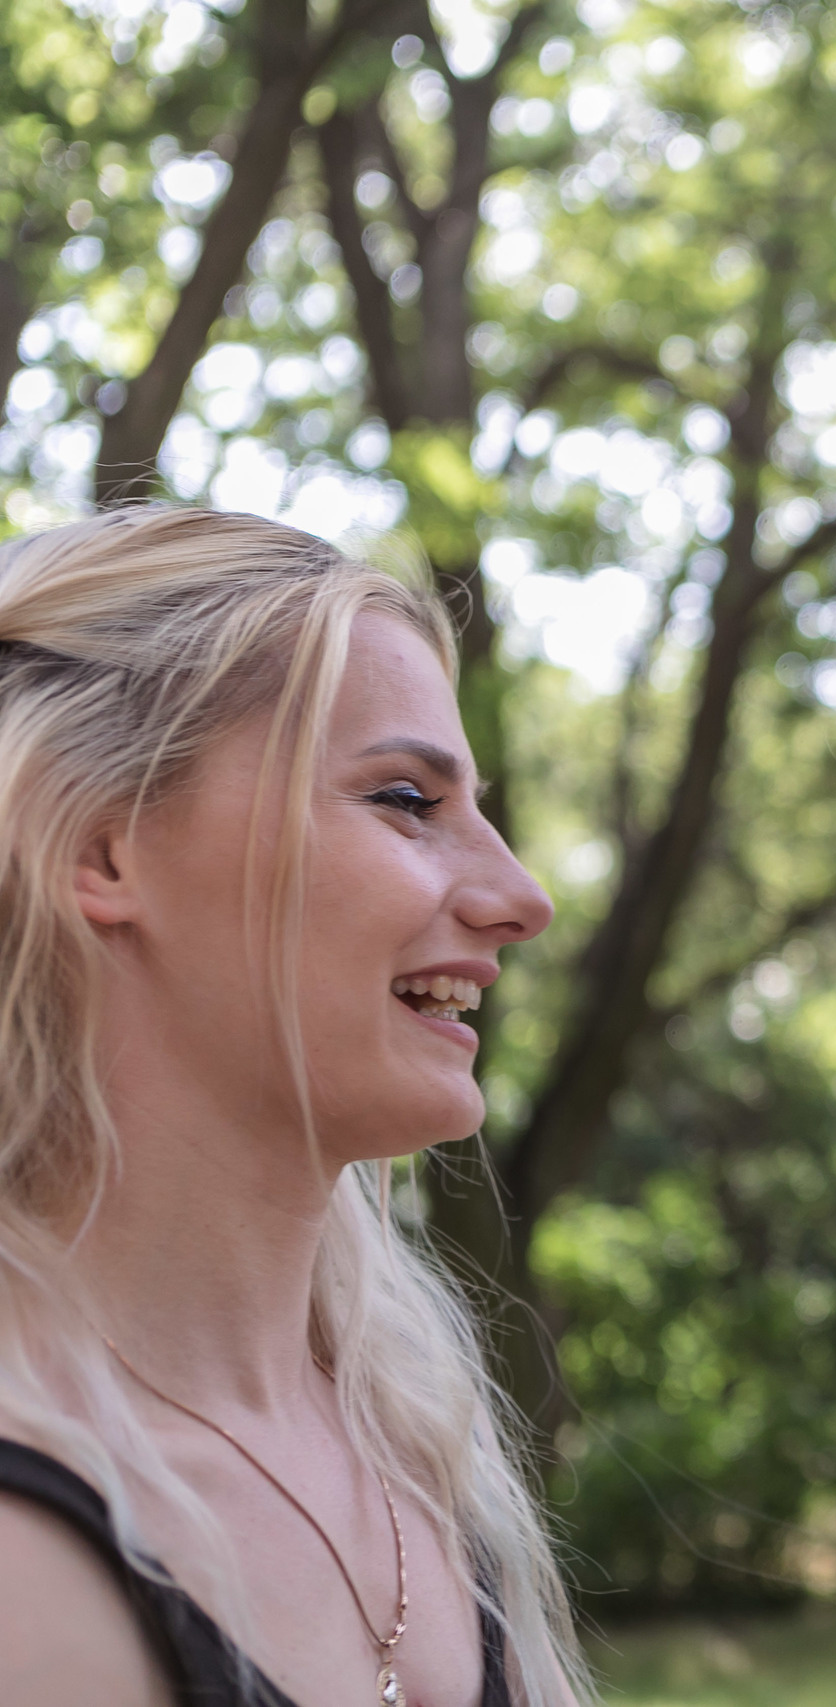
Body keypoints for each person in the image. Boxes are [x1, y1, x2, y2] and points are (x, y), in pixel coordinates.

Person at [0, 508, 585, 1706]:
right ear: (104, 852)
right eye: (407, 799)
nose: (521, 897)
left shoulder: (418, 1433)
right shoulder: (26, 1569)